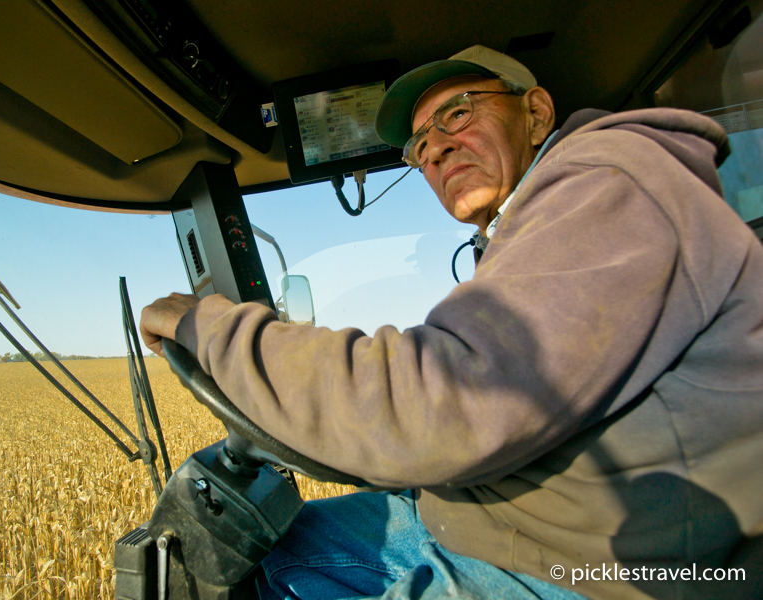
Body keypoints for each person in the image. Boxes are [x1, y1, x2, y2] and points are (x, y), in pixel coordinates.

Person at [140, 46, 763, 599]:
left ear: (537, 113)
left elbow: (439, 403)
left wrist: (212, 327)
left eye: (458, 113)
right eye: (418, 144)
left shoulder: (609, 182)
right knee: (279, 553)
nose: (433, 148)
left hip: (614, 569)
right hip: (510, 520)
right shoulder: (531, 231)